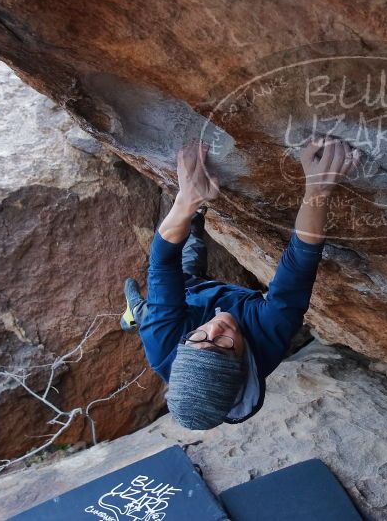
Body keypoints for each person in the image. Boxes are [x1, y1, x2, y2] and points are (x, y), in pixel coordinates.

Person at [121, 137, 359, 430]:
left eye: (199, 339)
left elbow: (163, 263)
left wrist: (186, 201)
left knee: (184, 266)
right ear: (241, 363)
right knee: (183, 276)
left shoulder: (165, 342)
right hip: (211, 308)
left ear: (185, 345)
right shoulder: (267, 340)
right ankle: (138, 311)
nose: (214, 328)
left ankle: (137, 313)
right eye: (223, 345)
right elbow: (299, 264)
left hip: (186, 303)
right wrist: (318, 190)